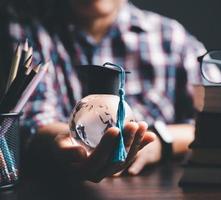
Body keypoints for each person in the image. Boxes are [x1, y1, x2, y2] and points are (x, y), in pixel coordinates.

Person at [0, 0, 206, 181]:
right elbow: (34, 119)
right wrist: (64, 142)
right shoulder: (26, 24)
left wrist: (161, 143)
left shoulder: (171, 39)